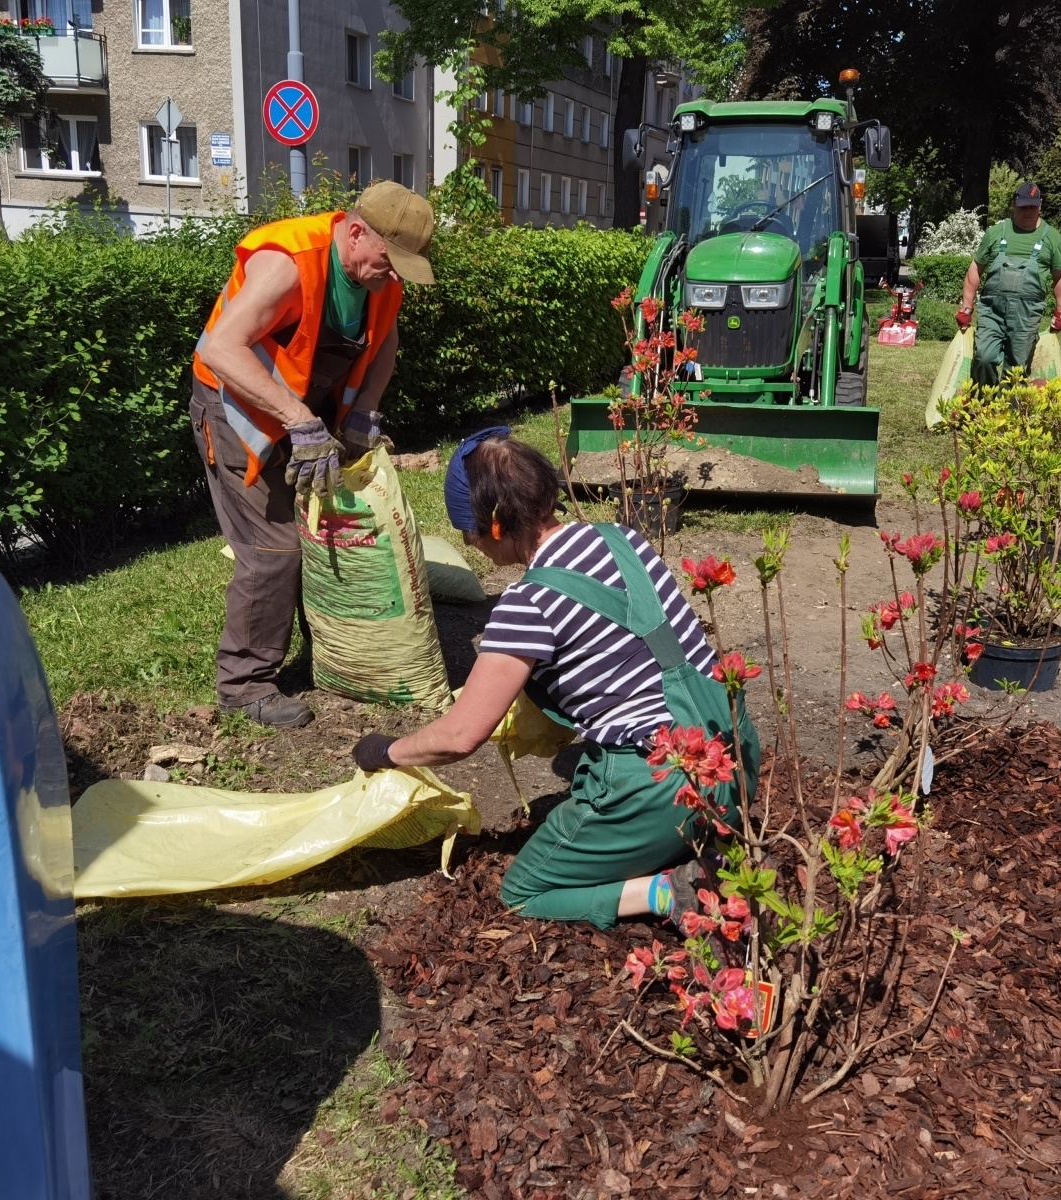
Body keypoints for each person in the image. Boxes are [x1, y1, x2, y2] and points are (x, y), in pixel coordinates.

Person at [350, 430, 758, 929]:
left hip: (666, 785)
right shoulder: (623, 539)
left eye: (467, 531)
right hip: (731, 754)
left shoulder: (528, 604)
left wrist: (386, 751)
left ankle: (663, 891)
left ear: (495, 525)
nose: (468, 544)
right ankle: (701, 844)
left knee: (523, 891)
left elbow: (461, 735)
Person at [189, 181, 435, 728]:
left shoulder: (379, 277)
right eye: (389, 262)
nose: (393, 277)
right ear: (356, 233)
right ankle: (244, 685)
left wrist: (364, 411)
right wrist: (299, 421)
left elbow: (385, 341)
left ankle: (333, 654)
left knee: (325, 532)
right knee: (274, 548)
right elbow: (221, 347)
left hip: (304, 407)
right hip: (236, 406)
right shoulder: (290, 262)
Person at [956, 181, 1061, 385]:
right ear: (1014, 205)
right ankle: (985, 398)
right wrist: (966, 306)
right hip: (993, 310)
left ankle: (1009, 403)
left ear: (1040, 206)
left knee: (1016, 367)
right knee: (984, 357)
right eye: (1023, 206)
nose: (1027, 211)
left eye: (1032, 207)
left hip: (1027, 313)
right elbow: (975, 269)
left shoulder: (1052, 237)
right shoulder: (996, 233)